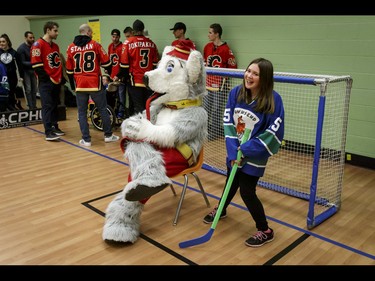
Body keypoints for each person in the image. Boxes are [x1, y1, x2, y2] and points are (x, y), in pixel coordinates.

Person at [203, 58, 285, 248]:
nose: (249, 76)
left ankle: (265, 230)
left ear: (264, 78)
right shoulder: (236, 93)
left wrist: (246, 149)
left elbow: (274, 131)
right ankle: (221, 209)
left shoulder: (273, 99)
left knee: (247, 191)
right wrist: (233, 153)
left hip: (255, 153)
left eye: (255, 74)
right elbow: (228, 124)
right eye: (248, 71)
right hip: (236, 150)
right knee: (230, 181)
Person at [66, 23, 119, 147]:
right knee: (102, 109)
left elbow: (69, 71)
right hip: (95, 83)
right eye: (91, 32)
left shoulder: (70, 47)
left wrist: (74, 86)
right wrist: (110, 75)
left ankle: (86, 140)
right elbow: (107, 63)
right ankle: (108, 135)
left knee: (81, 113)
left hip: (80, 85)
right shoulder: (95, 45)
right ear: (88, 32)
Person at [115, 19, 159, 115]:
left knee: (138, 108)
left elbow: (124, 65)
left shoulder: (128, 43)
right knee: (148, 107)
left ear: (133, 31)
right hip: (148, 81)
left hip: (135, 81)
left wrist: (118, 76)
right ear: (143, 30)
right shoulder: (152, 44)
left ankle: (139, 128)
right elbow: (155, 65)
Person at [30, 21, 65, 141]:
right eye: (55, 30)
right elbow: (36, 65)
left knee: (55, 104)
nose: (57, 33)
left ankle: (55, 126)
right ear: (48, 30)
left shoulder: (55, 46)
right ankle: (48, 131)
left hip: (56, 80)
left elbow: (58, 64)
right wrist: (48, 79)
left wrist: (61, 78)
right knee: (47, 106)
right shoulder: (37, 44)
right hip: (46, 82)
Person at [203, 23, 237, 140]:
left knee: (217, 109)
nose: (208, 35)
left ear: (217, 34)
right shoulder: (207, 47)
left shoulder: (226, 49)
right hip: (207, 84)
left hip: (219, 85)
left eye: (210, 32)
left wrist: (224, 79)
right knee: (206, 108)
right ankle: (204, 130)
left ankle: (214, 132)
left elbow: (233, 67)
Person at [0, 33, 24, 111]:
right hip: (2, 77)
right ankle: (5, 106)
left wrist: (21, 76)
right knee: (3, 92)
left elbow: (19, 65)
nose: (1, 43)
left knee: (11, 91)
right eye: (0, 42)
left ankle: (12, 105)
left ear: (7, 42)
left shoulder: (14, 53)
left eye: (3, 41)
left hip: (12, 76)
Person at [107, 28, 126, 119]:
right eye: (113, 37)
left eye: (116, 37)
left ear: (119, 37)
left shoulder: (122, 47)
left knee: (121, 97)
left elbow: (123, 63)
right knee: (112, 96)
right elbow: (109, 61)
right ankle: (113, 112)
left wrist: (119, 75)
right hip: (112, 75)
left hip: (120, 76)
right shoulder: (110, 46)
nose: (114, 39)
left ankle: (121, 113)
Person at [17, 31, 38, 109]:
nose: (32, 39)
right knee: (28, 90)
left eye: (33, 37)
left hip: (34, 70)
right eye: (30, 38)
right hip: (26, 71)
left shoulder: (34, 46)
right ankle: (30, 106)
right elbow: (22, 62)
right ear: (25, 38)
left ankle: (34, 106)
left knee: (35, 89)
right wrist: (34, 63)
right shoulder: (21, 48)